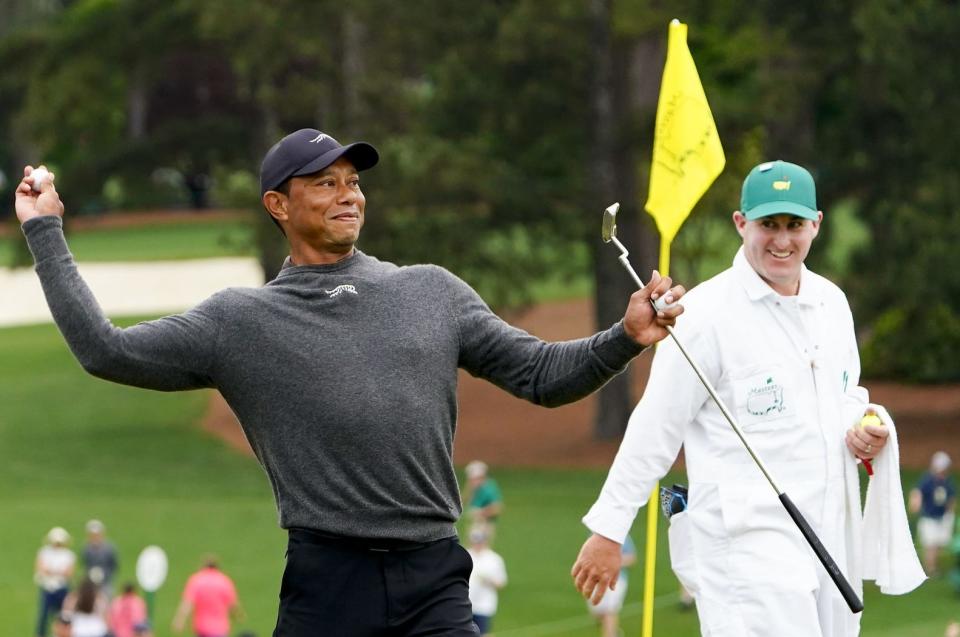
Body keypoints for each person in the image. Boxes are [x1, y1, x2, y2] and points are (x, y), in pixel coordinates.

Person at [15, 128, 685, 636]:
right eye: (326, 182)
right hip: (327, 585)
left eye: (353, 182)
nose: (349, 194)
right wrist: (45, 229)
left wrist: (621, 337)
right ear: (278, 204)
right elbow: (104, 351)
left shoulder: (431, 291)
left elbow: (541, 375)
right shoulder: (239, 320)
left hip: (435, 579)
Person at [571, 160, 925, 636]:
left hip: (830, 535)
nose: (782, 240)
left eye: (794, 225)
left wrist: (863, 426)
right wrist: (609, 529)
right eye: (768, 225)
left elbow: (845, 394)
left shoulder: (832, 305)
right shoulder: (705, 315)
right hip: (745, 546)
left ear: (816, 225)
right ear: (741, 224)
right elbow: (655, 428)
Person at [909, 451, 956, 576]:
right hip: (929, 517)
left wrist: (950, 513)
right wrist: (915, 504)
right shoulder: (928, 480)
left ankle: (933, 565)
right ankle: (930, 568)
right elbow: (917, 492)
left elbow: (951, 497)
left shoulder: (947, 481)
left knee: (939, 544)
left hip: (942, 517)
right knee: (930, 544)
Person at [172, 557, 243, 637]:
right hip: (220, 628)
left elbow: (187, 603)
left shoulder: (197, 580)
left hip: (202, 627)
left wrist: (180, 620)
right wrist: (238, 615)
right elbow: (233, 605)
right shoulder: (224, 581)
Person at [586, 534, 636, 637]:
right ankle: (612, 631)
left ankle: (610, 634)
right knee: (597, 613)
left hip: (616, 580)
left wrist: (612, 562)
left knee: (609, 610)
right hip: (597, 579)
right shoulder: (594, 533)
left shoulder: (623, 536)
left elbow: (631, 558)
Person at [34, 526, 76, 637]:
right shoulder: (44, 552)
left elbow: (68, 573)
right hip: (48, 587)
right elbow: (41, 569)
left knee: (63, 615)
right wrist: (58, 571)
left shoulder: (68, 555)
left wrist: (52, 571)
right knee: (44, 615)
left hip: (62, 588)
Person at [466, 525, 507, 636]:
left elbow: (501, 582)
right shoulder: (466, 555)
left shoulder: (494, 559)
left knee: (483, 633)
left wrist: (489, 581)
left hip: (484, 605)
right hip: (465, 603)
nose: (477, 544)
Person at [81, 519, 118, 597]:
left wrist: (106, 575)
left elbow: (114, 565)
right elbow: (86, 564)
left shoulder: (109, 548)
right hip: (90, 581)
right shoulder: (86, 548)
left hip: (106, 581)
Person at [464, 460, 503, 530]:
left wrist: (480, 513)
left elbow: (497, 508)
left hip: (484, 524)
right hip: (475, 522)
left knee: (477, 541)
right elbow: (464, 500)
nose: (471, 481)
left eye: (473, 479)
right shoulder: (475, 488)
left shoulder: (489, 489)